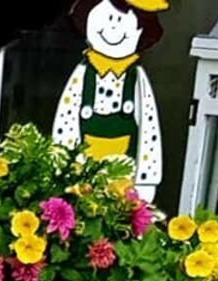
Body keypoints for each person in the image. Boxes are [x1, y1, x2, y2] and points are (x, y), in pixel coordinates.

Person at [52, 0, 165, 201]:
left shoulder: (136, 79)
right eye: (107, 17)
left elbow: (149, 129)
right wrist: (65, 171)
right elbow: (66, 120)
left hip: (123, 182)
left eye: (122, 20)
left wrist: (146, 180)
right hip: (82, 176)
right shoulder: (82, 74)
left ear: (142, 33)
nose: (113, 27)